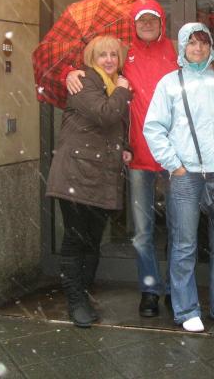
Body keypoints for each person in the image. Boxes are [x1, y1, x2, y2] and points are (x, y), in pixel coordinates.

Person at [66, 0, 178, 318]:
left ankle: (176, 289)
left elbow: (203, 64)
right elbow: (96, 73)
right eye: (141, 20)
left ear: (161, 21)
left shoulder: (176, 50)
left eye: (152, 19)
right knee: (142, 233)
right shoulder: (124, 55)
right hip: (137, 155)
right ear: (134, 24)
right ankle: (150, 291)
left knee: (177, 231)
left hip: (174, 156)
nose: (147, 24)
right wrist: (71, 72)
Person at [143, 23, 214, 333]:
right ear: (182, 47)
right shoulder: (170, 83)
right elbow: (154, 127)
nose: (198, 48)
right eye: (191, 43)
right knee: (184, 244)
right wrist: (174, 164)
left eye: (203, 42)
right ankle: (186, 308)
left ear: (211, 46)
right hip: (186, 175)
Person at [46, 36, 133, 328]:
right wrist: (122, 91)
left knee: (93, 240)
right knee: (76, 239)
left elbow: (113, 127)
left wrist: (126, 148)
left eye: (113, 55)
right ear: (91, 59)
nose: (109, 60)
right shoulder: (83, 81)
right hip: (75, 173)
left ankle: (83, 293)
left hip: (99, 175)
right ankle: (75, 301)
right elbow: (106, 115)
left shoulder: (112, 84)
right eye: (102, 55)